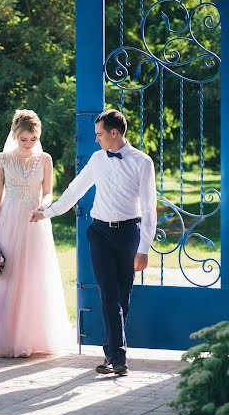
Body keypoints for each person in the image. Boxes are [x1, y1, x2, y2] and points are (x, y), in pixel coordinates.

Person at [31, 109, 157, 375]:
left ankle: (112, 350)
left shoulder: (142, 162)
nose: (96, 139)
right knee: (108, 294)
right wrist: (48, 213)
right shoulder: (97, 159)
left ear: (114, 133)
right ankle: (117, 357)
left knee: (122, 296)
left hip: (128, 234)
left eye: (100, 134)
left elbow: (149, 208)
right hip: (99, 233)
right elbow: (75, 189)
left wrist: (144, 249)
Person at [0, 109, 71, 358]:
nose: (28, 144)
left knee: (35, 275)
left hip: (35, 220)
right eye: (24, 139)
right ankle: (6, 336)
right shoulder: (3, 159)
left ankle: (33, 336)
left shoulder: (45, 159)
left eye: (33, 139)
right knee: (9, 274)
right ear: (15, 134)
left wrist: (44, 206)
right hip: (10, 219)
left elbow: (48, 191)